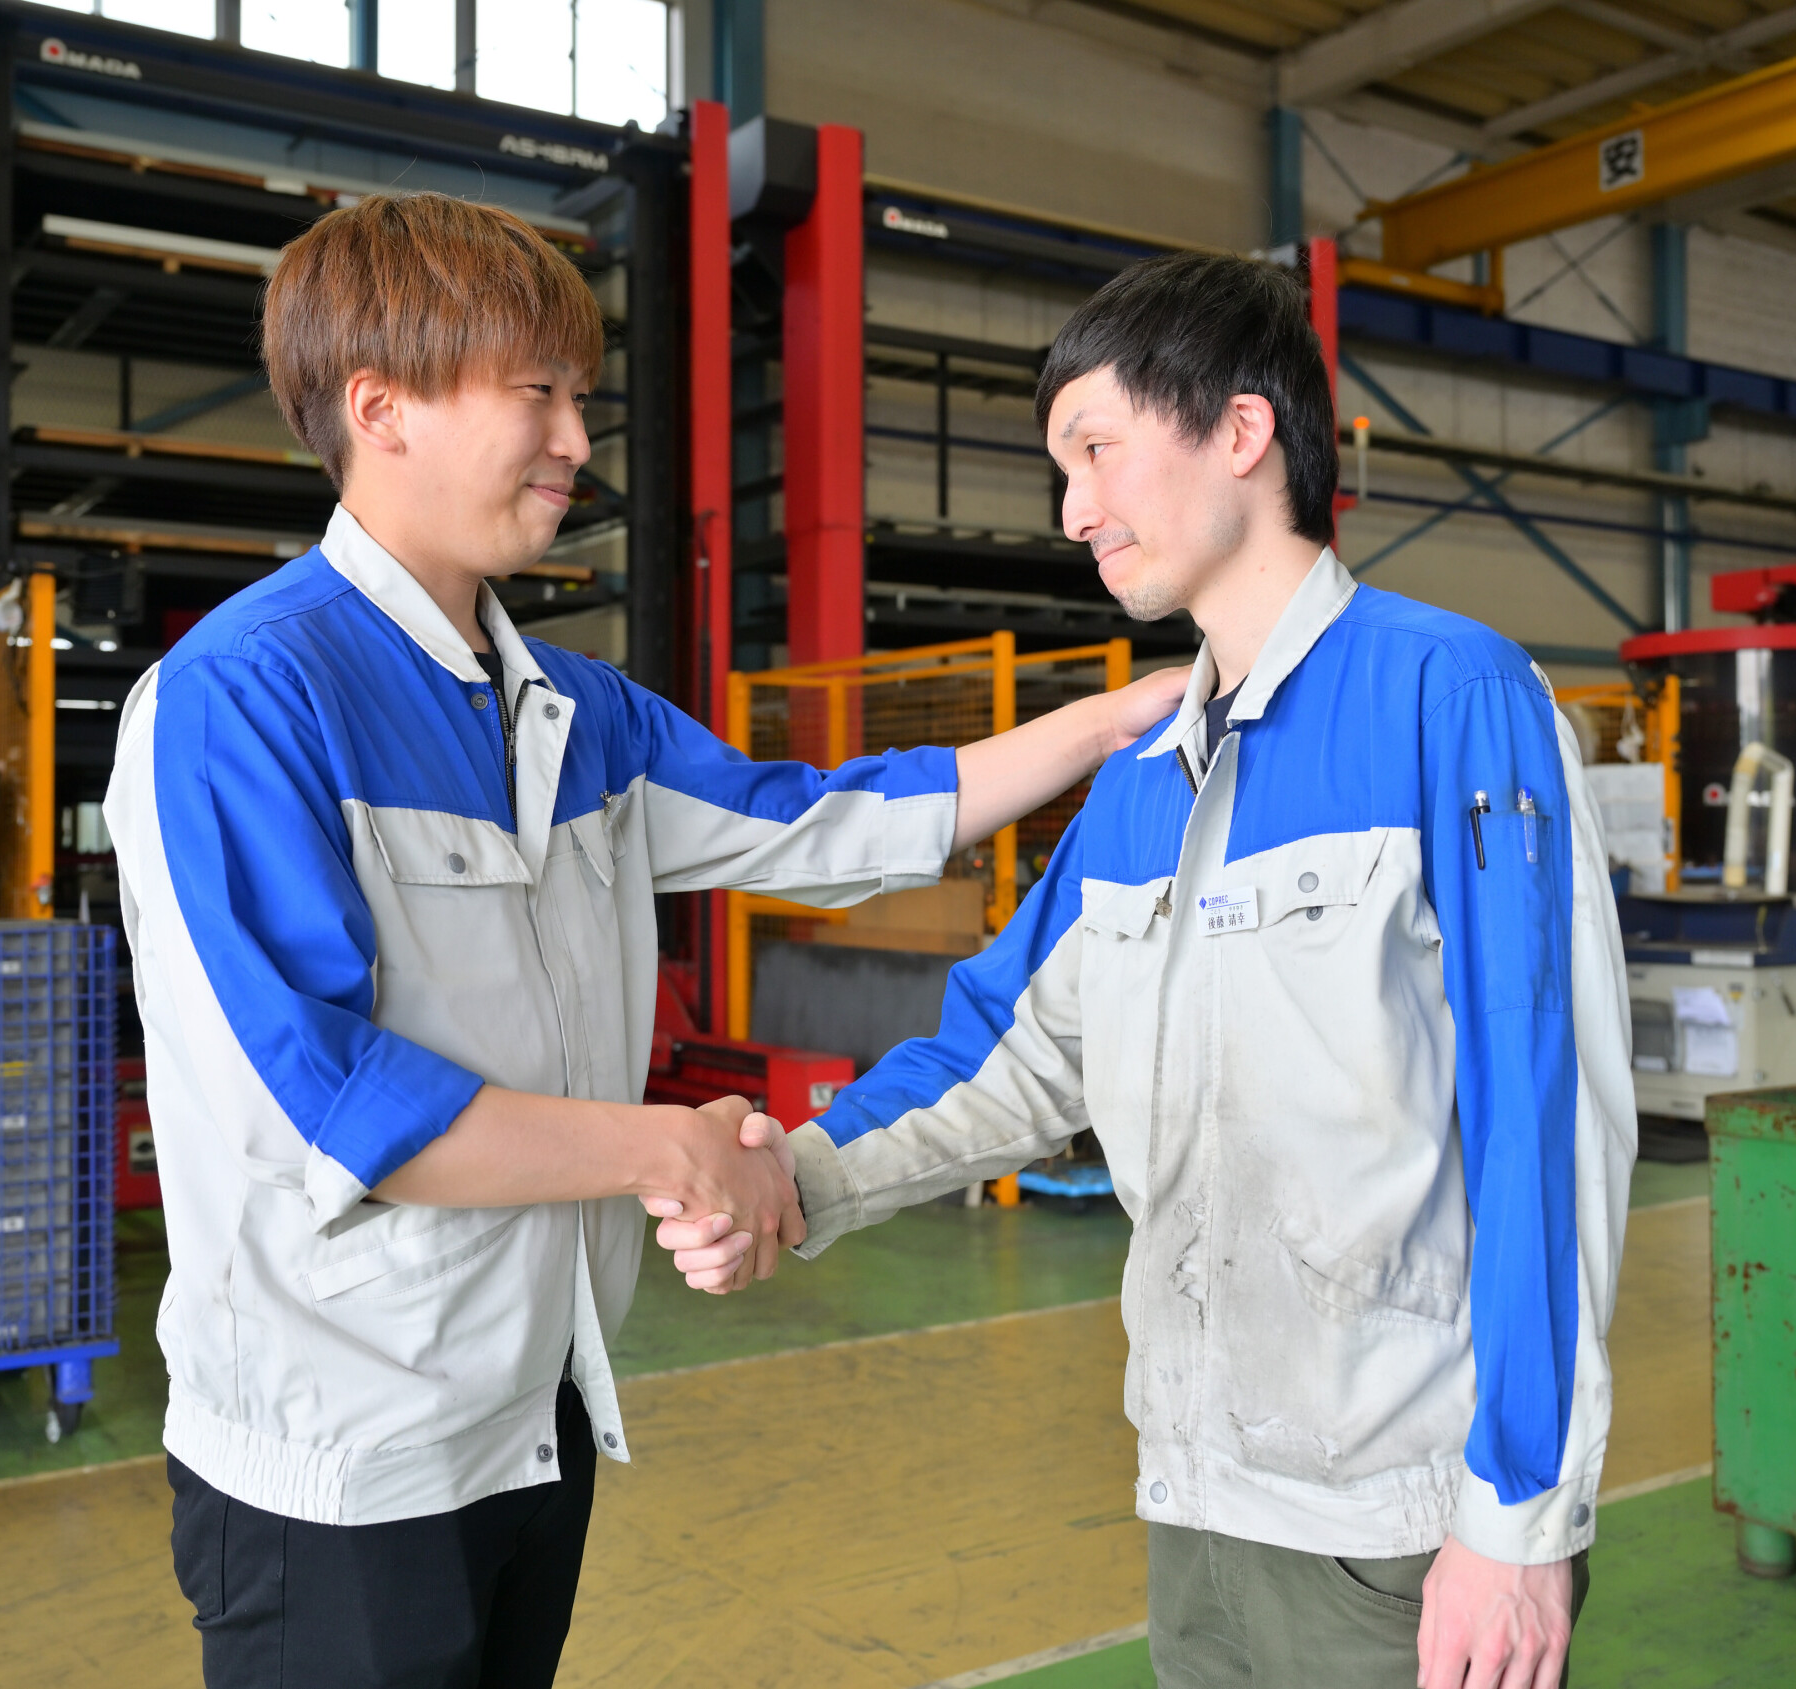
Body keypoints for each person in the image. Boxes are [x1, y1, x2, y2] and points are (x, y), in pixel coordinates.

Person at [101, 192, 1187, 1689]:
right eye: (536, 393)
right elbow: (332, 1103)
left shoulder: (574, 713)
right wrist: (665, 1149)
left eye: (581, 397)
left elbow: (816, 823)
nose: (575, 441)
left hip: (535, 1414)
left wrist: (1106, 722)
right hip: (341, 1457)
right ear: (382, 408)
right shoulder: (242, 702)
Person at [659, 252, 1637, 1689]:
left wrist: (1521, 1521)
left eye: (1097, 450)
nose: (1073, 510)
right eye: (1063, 469)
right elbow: (1003, 1055)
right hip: (1197, 1498)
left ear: (1242, 432)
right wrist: (791, 1177)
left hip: (1403, 1528)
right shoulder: (1138, 790)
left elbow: (1546, 1120)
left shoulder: (1454, 698)